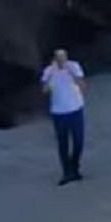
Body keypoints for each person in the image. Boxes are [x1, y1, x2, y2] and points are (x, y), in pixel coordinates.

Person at [40, 48, 87, 184]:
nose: (61, 60)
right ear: (54, 58)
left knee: (78, 141)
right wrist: (50, 75)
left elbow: (82, 85)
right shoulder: (49, 70)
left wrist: (71, 73)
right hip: (58, 112)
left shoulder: (74, 66)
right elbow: (44, 90)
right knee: (63, 143)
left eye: (63, 56)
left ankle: (75, 166)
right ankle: (67, 172)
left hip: (75, 109)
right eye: (58, 57)